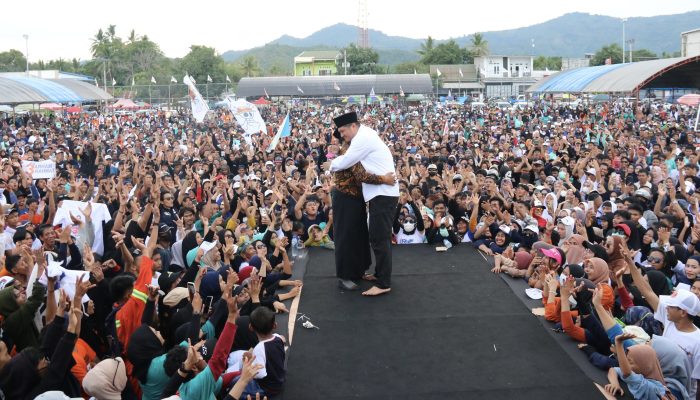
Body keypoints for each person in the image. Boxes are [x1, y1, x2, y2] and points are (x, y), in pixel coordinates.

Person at [329, 111, 399, 296]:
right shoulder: (364, 135)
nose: (342, 136)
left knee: (379, 238)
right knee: (371, 237)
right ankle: (376, 275)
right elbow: (359, 171)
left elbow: (351, 166)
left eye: (343, 131)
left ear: (353, 126)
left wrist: (331, 165)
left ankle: (384, 283)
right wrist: (383, 179)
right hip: (364, 195)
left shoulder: (361, 139)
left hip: (381, 194)